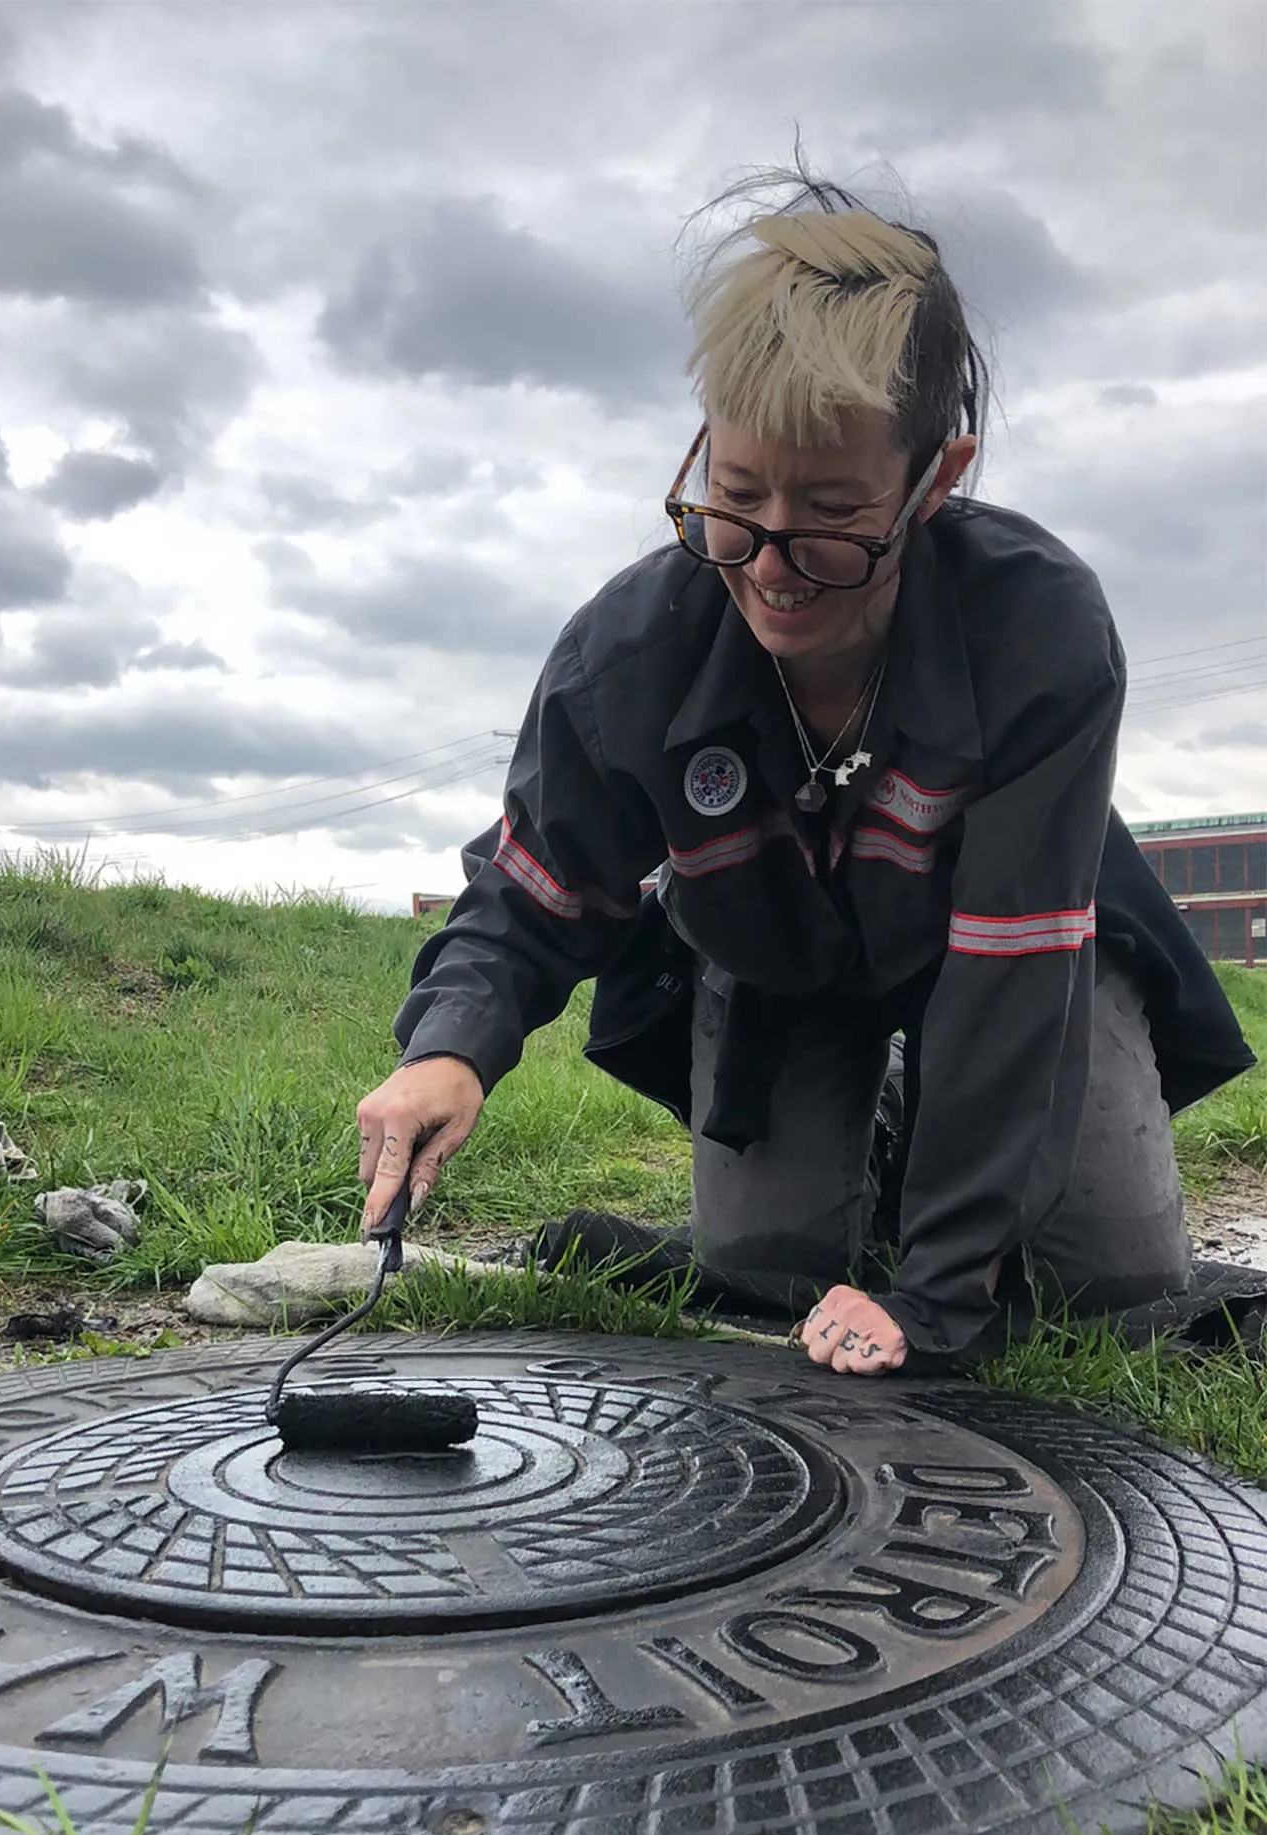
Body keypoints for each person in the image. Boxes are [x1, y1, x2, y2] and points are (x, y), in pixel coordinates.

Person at [355, 170, 1254, 1377]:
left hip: (1024, 965)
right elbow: (535, 884)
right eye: (733, 498)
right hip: (774, 975)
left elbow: (1009, 976)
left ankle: (930, 1172)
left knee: (1100, 1284)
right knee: (764, 1271)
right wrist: (449, 1045)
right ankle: (881, 1141)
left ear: (934, 479)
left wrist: (933, 1299)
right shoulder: (624, 652)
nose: (769, 561)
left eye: (830, 511)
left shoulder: (1039, 631)